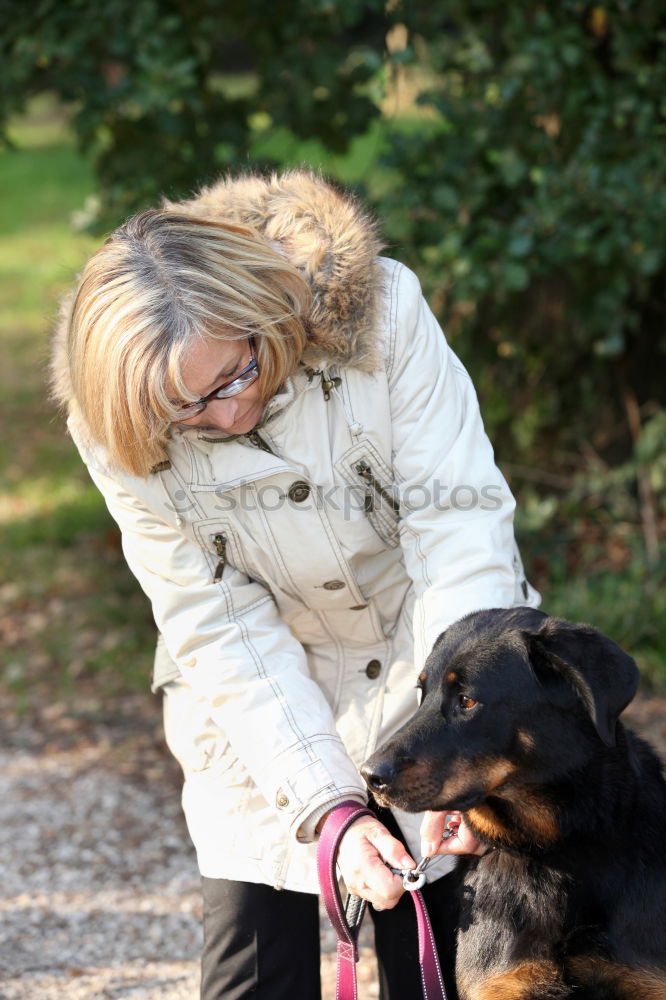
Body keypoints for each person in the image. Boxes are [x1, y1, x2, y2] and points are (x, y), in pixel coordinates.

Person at [51, 169, 540, 1000]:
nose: (227, 415)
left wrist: (461, 743)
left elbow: (458, 532)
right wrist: (330, 809)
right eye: (189, 412)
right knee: (253, 978)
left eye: (235, 375)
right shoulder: (117, 426)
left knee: (447, 970)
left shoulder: (382, 315)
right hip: (256, 705)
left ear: (259, 310)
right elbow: (217, 622)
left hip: (433, 663)